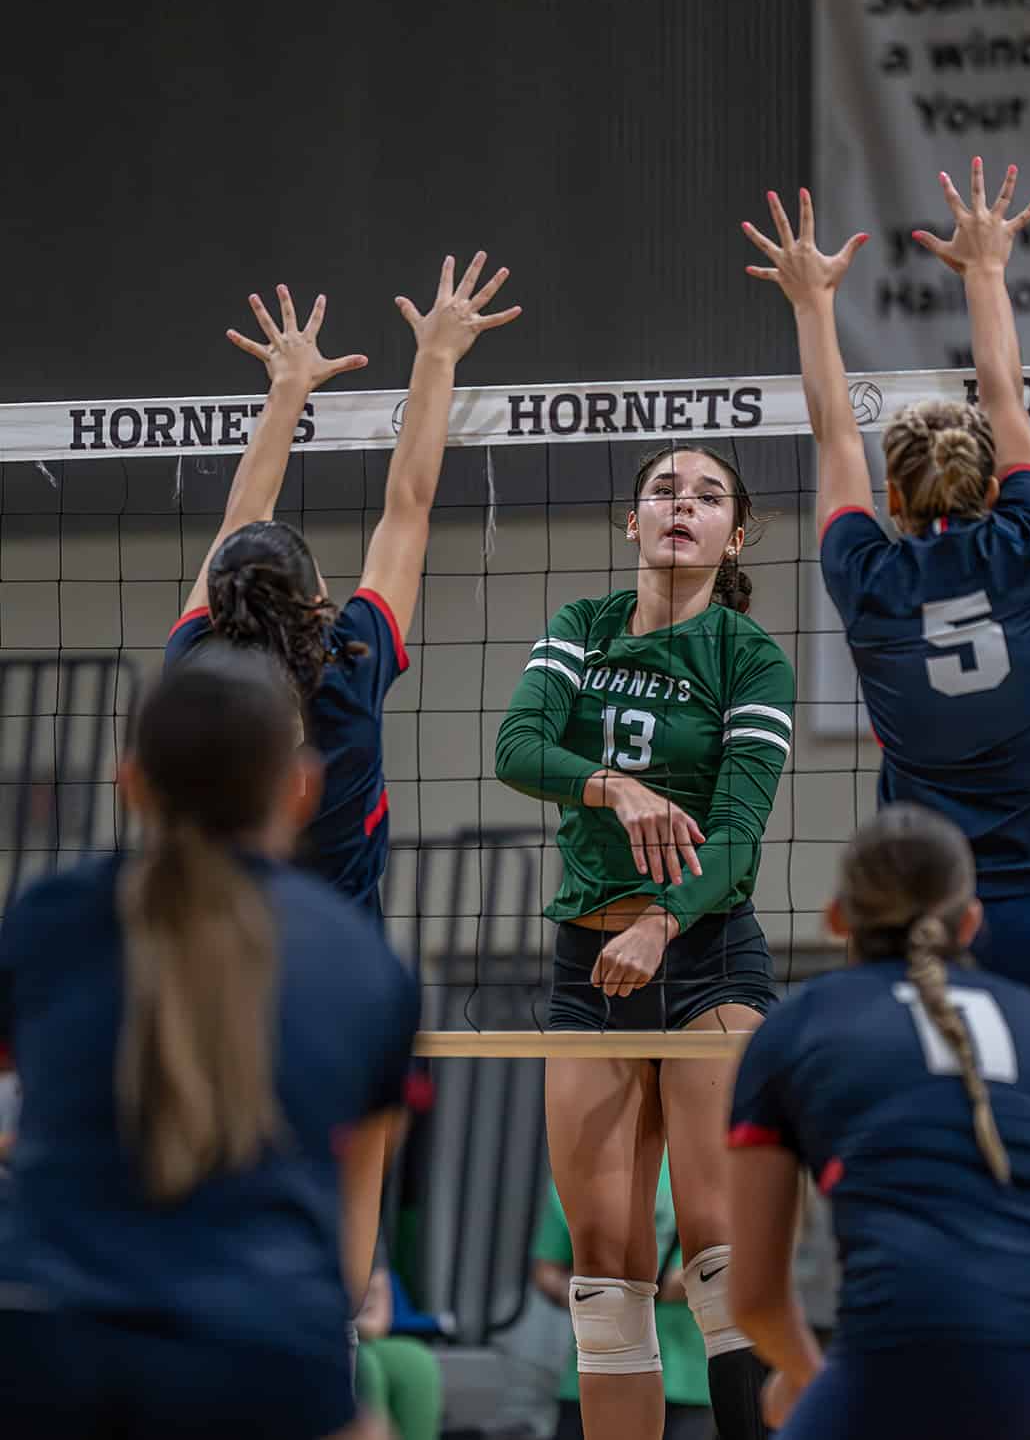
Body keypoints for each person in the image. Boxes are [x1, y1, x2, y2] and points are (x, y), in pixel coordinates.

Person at [742, 165, 1030, 1190]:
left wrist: (811, 302)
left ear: (894, 500)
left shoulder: (865, 574)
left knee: (937, 1161)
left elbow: (831, 433)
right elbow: (1002, 390)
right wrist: (986, 268)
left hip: (934, 913)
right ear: (993, 481)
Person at [0, 646, 420, 1438]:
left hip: (44, 1339)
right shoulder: (363, 962)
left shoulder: (47, 917)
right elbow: (353, 1213)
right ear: (302, 791)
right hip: (264, 1352)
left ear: (130, 783)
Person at [495, 442, 795, 1440]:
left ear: (732, 535)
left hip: (704, 952)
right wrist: (614, 786)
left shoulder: (749, 657)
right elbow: (516, 748)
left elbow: (740, 838)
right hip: (589, 962)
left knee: (716, 1250)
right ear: (633, 522)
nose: (682, 504)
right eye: (664, 489)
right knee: (606, 1274)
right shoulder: (580, 629)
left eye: (708, 495)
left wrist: (666, 921)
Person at [725, 803, 1030, 1440]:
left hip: (928, 1332)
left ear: (837, 915)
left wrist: (807, 1378)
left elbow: (754, 1301)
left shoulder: (797, 1024)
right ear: (971, 922)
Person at [167, 254, 520, 921]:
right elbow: (408, 503)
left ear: (218, 603)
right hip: (340, 962)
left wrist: (287, 389)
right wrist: (437, 356)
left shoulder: (194, 668)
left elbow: (241, 517)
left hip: (216, 959)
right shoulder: (351, 663)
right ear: (316, 600)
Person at [531, 1159, 713, 1440]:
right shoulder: (578, 1167)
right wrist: (587, 1294)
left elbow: (710, 1274)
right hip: (591, 1378)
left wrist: (605, 1292)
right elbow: (547, 1269)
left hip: (682, 1381)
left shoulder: (704, 1160)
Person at [355, 1239, 444, 1440]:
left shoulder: (360, 1218)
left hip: (349, 1330)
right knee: (365, 1367)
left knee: (416, 1362)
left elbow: (378, 1321)